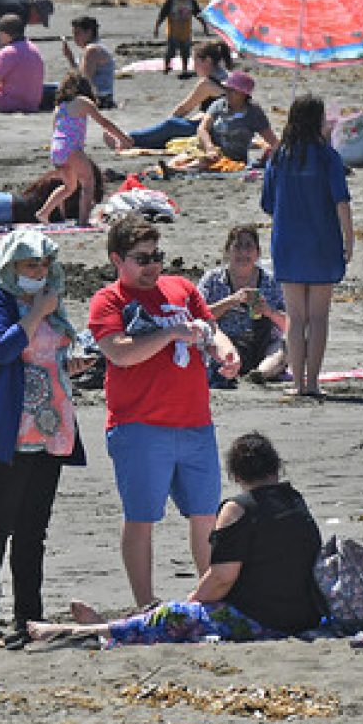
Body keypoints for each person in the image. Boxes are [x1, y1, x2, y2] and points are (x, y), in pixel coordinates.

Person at [29, 432, 323, 646]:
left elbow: (222, 576)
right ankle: (104, 627)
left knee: (172, 616)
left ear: (235, 474)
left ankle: (77, 631)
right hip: (303, 614)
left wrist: (193, 601)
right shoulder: (294, 499)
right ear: (275, 466)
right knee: (176, 615)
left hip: (262, 619)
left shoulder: (238, 509)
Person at [87, 214, 240, 608]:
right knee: (141, 517)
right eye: (142, 258)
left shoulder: (181, 288)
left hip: (195, 423)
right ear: (117, 260)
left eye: (158, 256)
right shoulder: (110, 300)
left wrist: (222, 348)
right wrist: (170, 332)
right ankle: (146, 602)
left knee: (206, 515)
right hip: (139, 425)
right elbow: (119, 353)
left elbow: (208, 327)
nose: (153, 266)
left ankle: (212, 598)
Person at [0, 231, 88, 644]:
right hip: (7, 436)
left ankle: (28, 616)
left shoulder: (50, 299)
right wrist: (35, 313)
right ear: (10, 266)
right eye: (30, 265)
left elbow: (55, 351)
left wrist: (75, 361)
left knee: (33, 530)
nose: (39, 272)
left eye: (43, 264)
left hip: (50, 433)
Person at [261, 94, 353, 399]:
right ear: (316, 120)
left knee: (296, 318)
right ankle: (312, 383)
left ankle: (297, 384)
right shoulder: (328, 156)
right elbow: (342, 202)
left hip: (287, 243)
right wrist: (348, 240)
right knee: (318, 317)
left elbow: (269, 204)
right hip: (322, 243)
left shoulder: (279, 156)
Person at [35, 72, 132, 224]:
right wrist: (123, 138)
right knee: (88, 183)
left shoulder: (59, 108)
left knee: (69, 187)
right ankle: (83, 220)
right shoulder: (82, 101)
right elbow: (104, 123)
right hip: (71, 148)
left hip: (56, 150)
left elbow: (56, 131)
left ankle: (43, 212)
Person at [198, 225, 288, 387]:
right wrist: (231, 301)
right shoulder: (213, 279)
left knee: (283, 346)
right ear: (227, 251)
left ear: (258, 253)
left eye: (249, 246)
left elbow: (289, 324)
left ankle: (260, 374)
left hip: (262, 342)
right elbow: (197, 317)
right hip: (226, 342)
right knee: (217, 341)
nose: (243, 253)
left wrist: (268, 311)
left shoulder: (270, 282)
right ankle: (230, 370)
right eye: (237, 246)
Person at [121, 40, 232, 150]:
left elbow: (184, 108)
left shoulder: (207, 84)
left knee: (171, 126)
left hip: (212, 131)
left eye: (196, 62)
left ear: (207, 60)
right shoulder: (227, 76)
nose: (194, 67)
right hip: (225, 128)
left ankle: (130, 138)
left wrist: (170, 122)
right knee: (174, 128)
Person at [195, 70, 278, 167]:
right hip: (211, 154)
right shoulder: (218, 105)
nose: (227, 93)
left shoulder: (254, 113)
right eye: (226, 89)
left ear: (243, 94)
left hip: (235, 161)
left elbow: (271, 139)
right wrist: (209, 147)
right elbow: (202, 129)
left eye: (231, 90)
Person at [154, 0, 208, 76]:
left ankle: (185, 68)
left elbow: (199, 15)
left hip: (186, 33)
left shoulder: (191, 2)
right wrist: (157, 27)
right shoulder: (171, 2)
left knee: (185, 52)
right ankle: (167, 65)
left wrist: (204, 26)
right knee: (171, 51)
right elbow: (162, 15)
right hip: (173, 32)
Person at [63, 15, 116, 109]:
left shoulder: (92, 50)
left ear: (89, 32)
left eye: (77, 33)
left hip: (98, 99)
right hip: (103, 98)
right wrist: (70, 57)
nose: (74, 38)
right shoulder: (96, 47)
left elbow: (83, 80)